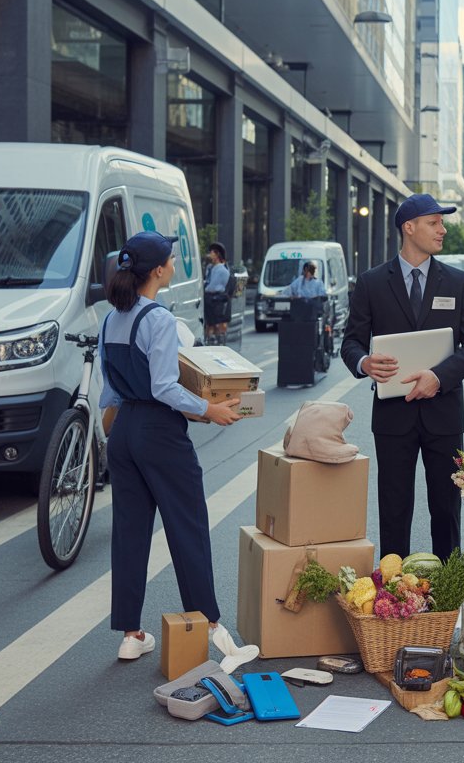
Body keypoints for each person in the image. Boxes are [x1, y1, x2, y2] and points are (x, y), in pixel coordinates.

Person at [99, 231, 256, 670]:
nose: (173, 263)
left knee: (129, 533)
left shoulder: (112, 318)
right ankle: (213, 628)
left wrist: (112, 431)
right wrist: (210, 409)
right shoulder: (160, 320)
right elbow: (165, 387)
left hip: (124, 430)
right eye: (170, 259)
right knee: (187, 526)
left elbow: (109, 389)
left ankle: (130, 634)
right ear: (158, 271)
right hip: (158, 431)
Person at [340, 193, 464, 561]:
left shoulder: (457, 282)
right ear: (410, 227)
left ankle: (447, 600)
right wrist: (364, 364)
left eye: (442, 223)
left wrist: (439, 376)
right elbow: (351, 342)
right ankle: (395, 599)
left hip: (444, 416)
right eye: (434, 222)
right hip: (393, 419)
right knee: (393, 512)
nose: (443, 229)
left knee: (446, 513)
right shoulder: (372, 283)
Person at [203, 242, 231, 345]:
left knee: (216, 326)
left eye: (212, 252)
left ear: (217, 254)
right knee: (210, 325)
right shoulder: (211, 267)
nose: (210, 255)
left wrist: (204, 288)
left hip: (217, 301)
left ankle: (217, 344)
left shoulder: (222, 270)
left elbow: (212, 286)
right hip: (211, 301)